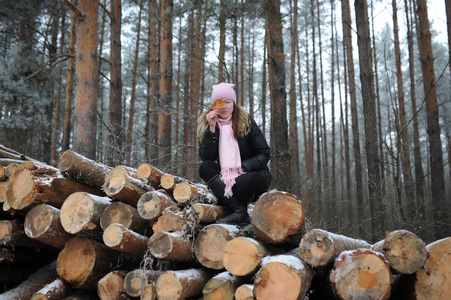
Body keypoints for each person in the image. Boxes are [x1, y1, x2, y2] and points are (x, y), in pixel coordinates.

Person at [197, 82, 271, 224]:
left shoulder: (246, 122)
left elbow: (264, 153)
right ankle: (240, 211)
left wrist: (244, 167)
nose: (224, 106)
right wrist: (212, 129)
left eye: (228, 102)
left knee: (240, 184)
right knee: (205, 167)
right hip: (226, 175)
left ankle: (234, 203)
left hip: (254, 174)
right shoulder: (206, 125)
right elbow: (207, 157)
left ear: (234, 104)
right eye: (219, 102)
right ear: (214, 105)